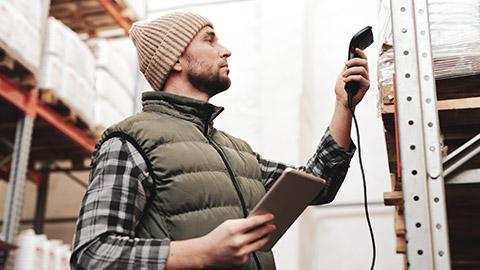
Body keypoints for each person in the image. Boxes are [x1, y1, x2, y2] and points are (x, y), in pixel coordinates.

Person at [70, 11, 370, 270]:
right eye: (209, 40)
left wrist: (343, 105)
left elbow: (319, 185)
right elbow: (93, 253)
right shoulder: (129, 142)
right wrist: (201, 252)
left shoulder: (236, 151)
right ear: (176, 59)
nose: (225, 50)